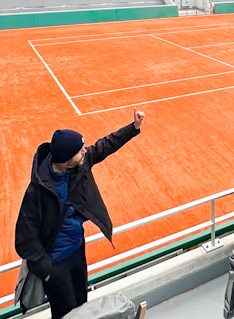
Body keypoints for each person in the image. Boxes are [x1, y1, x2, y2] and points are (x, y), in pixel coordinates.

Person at [15, 108, 145, 319]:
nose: (85, 151)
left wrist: (133, 128)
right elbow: (25, 240)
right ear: (66, 157)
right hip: (56, 265)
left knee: (83, 307)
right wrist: (48, 272)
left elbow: (105, 145)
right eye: (79, 150)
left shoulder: (78, 167)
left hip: (77, 253)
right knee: (65, 313)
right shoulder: (36, 193)